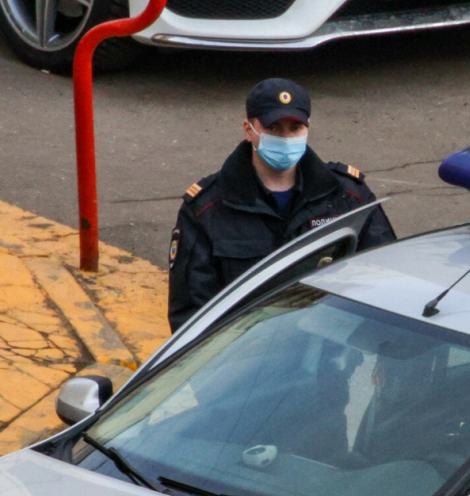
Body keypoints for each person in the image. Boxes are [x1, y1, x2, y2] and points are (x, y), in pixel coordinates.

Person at [168, 78, 396, 331]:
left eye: (295, 128)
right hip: (247, 347)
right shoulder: (207, 209)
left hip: (328, 344)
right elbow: (191, 315)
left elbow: (384, 277)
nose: (286, 138)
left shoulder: (348, 197)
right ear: (248, 130)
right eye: (274, 128)